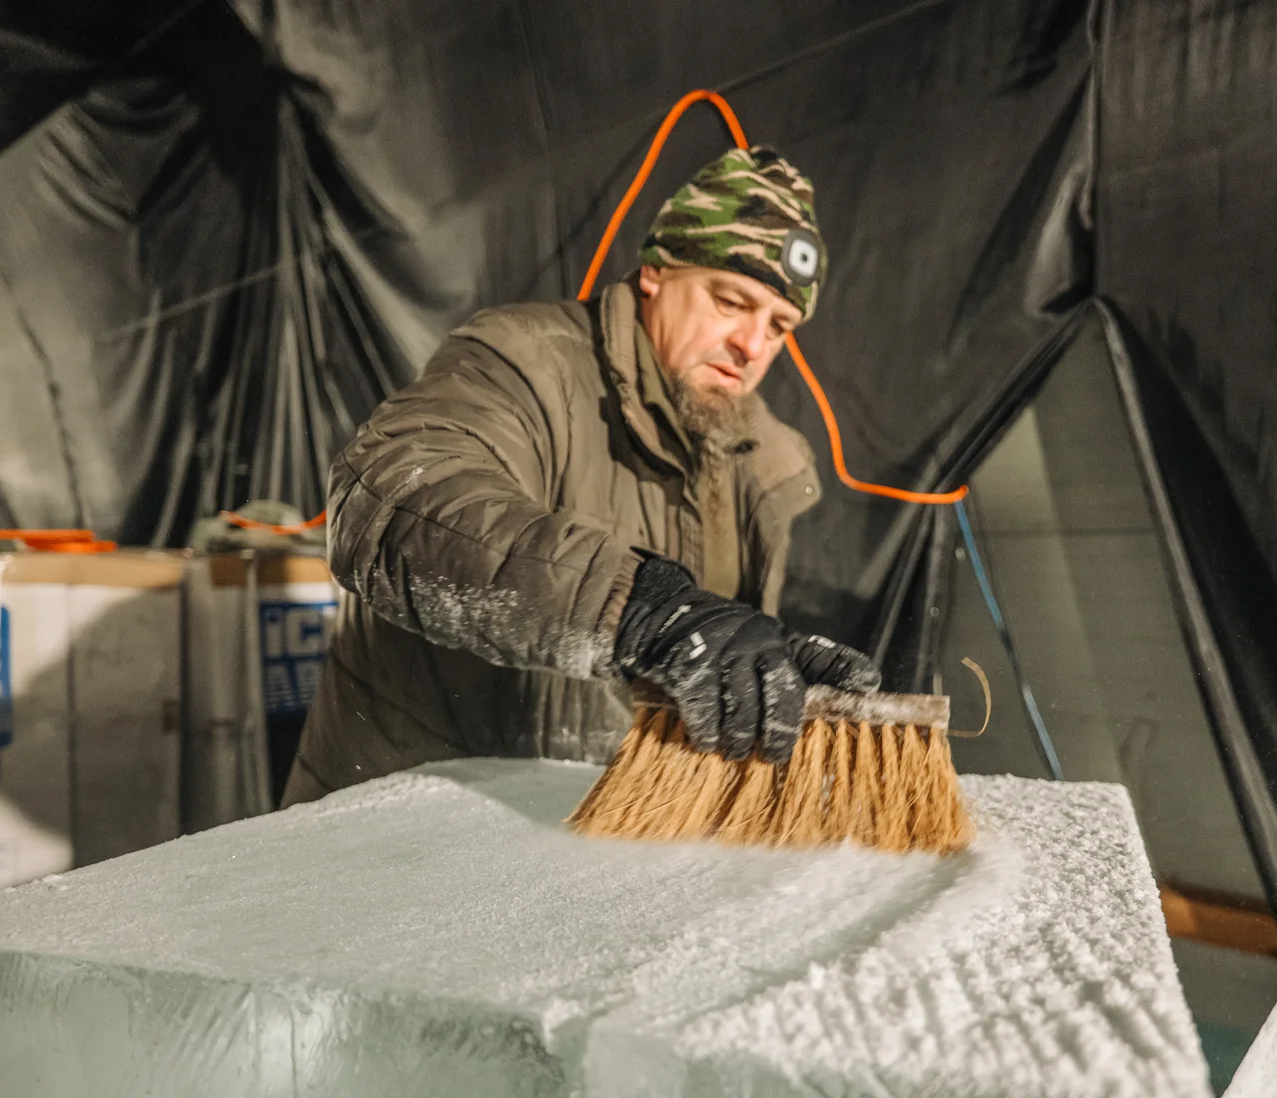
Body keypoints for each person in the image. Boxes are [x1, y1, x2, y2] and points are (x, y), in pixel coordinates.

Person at [284, 145, 880, 804]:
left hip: (587, 855)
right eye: (731, 300)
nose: (752, 344)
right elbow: (390, 500)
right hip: (398, 843)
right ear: (657, 271)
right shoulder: (523, 363)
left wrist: (758, 663)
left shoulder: (758, 463)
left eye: (779, 326)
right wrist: (637, 606)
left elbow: (703, 659)